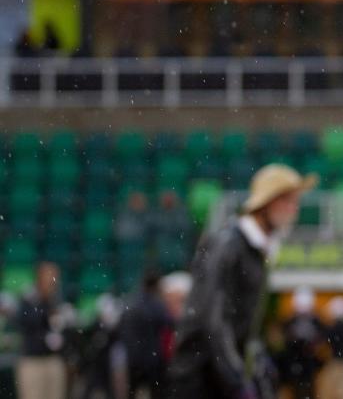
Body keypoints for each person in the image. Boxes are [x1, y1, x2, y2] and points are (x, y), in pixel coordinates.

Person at [166, 164, 317, 399]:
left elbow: (242, 327)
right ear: (267, 203)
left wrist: (252, 365)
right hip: (200, 378)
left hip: (221, 375)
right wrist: (235, 377)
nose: (294, 210)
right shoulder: (228, 246)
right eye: (288, 201)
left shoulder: (258, 250)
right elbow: (212, 319)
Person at [14, 262, 68, 399]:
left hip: (53, 359)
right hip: (32, 360)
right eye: (49, 275)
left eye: (55, 276)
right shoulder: (29, 298)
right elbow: (24, 322)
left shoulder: (57, 299)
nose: (53, 279)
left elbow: (62, 328)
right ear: (39, 277)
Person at [116, 272, 171, 399]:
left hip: (133, 358)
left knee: (132, 393)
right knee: (156, 393)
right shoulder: (156, 304)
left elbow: (119, 328)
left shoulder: (131, 301)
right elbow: (169, 323)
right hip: (152, 359)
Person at [279, 286, 327, 399]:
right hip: (297, 364)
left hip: (307, 365)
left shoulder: (314, 321)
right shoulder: (291, 321)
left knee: (307, 389)